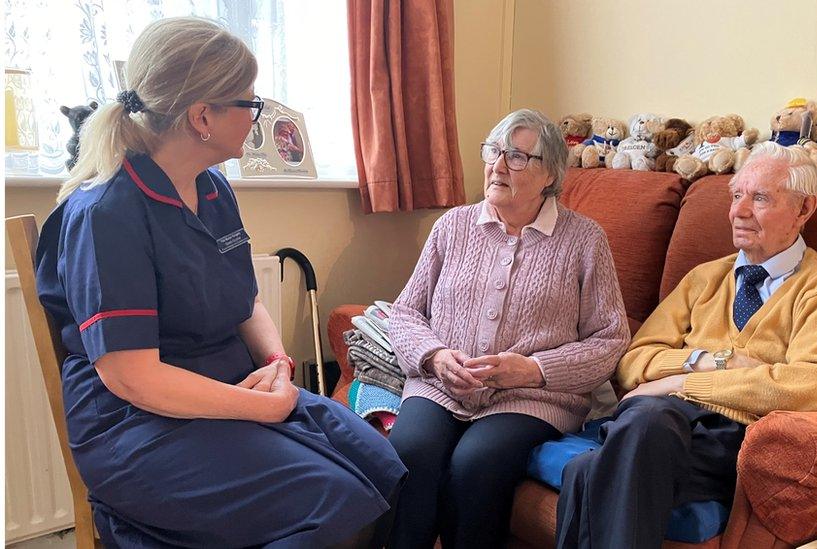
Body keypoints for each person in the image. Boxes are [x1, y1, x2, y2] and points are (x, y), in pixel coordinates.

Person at [35, 17, 405, 548]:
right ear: (201, 115)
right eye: (249, 105)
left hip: (231, 388)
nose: (257, 117)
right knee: (331, 498)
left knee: (381, 463)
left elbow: (244, 297)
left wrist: (278, 366)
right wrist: (265, 405)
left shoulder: (211, 188)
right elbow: (132, 377)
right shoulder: (106, 212)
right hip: (137, 424)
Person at [555, 142, 817, 548]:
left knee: (593, 466)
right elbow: (633, 362)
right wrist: (714, 360)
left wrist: (678, 384)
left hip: (733, 438)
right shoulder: (703, 278)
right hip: (655, 423)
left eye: (759, 198)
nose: (738, 211)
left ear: (804, 210)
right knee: (633, 434)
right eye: (736, 195)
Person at [387, 108, 630, 549]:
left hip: (530, 397)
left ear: (550, 174)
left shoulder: (584, 240)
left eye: (517, 157)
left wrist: (534, 369)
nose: (498, 166)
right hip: (440, 385)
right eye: (494, 152)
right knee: (411, 451)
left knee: (476, 462)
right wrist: (436, 357)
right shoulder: (453, 226)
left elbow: (611, 337)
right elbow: (405, 313)